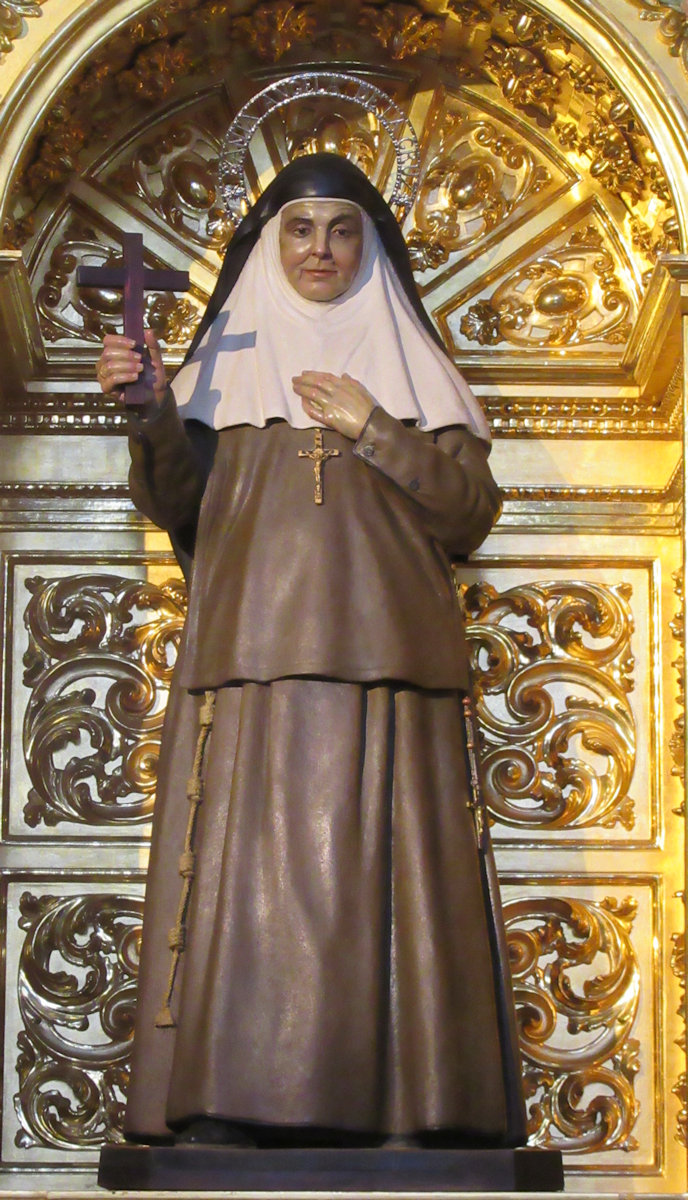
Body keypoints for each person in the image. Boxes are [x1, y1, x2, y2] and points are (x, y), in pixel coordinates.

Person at [96, 153, 526, 1149]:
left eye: (340, 229)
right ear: (269, 243)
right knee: (251, 896)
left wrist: (373, 423)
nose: (319, 250)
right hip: (252, 669)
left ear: (367, 244)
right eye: (298, 229)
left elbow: (469, 512)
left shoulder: (415, 374)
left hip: (391, 674)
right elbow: (177, 503)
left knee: (391, 894)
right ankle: (234, 1105)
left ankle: (415, 1113)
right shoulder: (227, 362)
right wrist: (153, 409)